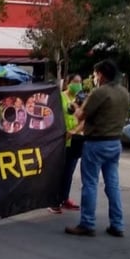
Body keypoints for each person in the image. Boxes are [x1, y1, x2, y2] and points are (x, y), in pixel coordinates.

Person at [66, 59, 130, 238]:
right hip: (115, 142)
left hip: (96, 143)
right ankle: (117, 224)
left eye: (94, 75)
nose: (94, 78)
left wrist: (75, 106)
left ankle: (87, 223)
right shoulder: (124, 92)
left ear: (100, 75)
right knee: (113, 184)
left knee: (90, 184)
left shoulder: (100, 92)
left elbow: (81, 116)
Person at [48, 75, 84, 215]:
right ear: (68, 83)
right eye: (75, 82)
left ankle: (64, 198)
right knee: (59, 171)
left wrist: (76, 130)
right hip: (61, 139)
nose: (78, 85)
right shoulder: (60, 97)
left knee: (69, 171)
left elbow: (84, 118)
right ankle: (54, 201)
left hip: (75, 139)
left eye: (80, 82)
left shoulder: (81, 100)